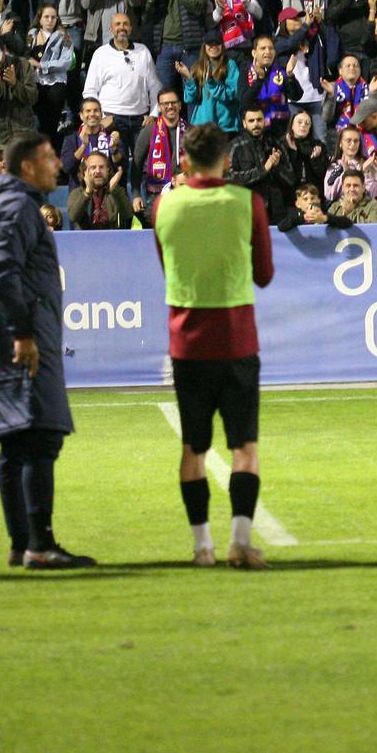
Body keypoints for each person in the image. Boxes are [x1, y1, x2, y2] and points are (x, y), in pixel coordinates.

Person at [153, 122, 277, 569]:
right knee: (244, 446)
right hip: (237, 339)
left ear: (184, 161)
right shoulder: (247, 202)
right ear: (226, 160)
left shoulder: (163, 206)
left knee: (193, 448)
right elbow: (264, 274)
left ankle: (201, 546)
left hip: (187, 343)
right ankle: (240, 543)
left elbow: (167, 265)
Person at [0, 132, 94, 570]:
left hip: (9, 336)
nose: (57, 166)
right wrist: (23, 334)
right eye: (48, 158)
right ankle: (38, 543)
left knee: (18, 440)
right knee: (39, 435)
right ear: (27, 166)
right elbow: (1, 274)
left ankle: (21, 542)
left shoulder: (9, 205)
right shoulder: (17, 207)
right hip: (20, 340)